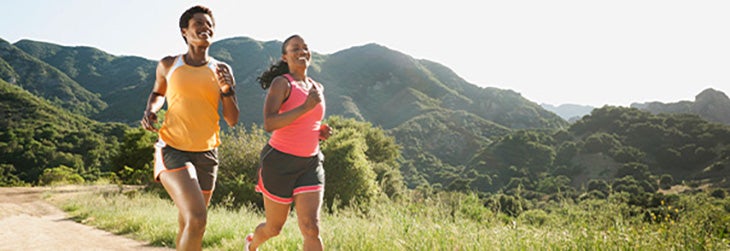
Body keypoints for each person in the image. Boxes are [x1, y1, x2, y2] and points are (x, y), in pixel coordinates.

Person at [140, 5, 239, 251]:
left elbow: (232, 119)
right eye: (199, 24)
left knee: (188, 223)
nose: (206, 28)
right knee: (197, 218)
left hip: (207, 153)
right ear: (185, 31)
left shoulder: (221, 70)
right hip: (173, 148)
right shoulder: (169, 64)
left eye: (209, 25)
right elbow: (158, 92)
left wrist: (228, 90)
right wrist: (151, 109)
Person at [245, 34, 333, 251]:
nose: (302, 51)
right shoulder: (282, 83)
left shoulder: (317, 87)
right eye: (295, 48)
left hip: (310, 164)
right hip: (279, 162)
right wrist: (305, 107)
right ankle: (251, 244)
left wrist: (319, 131)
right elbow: (269, 123)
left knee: (311, 227)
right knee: (274, 228)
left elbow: (307, 122)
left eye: (305, 47)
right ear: (285, 57)